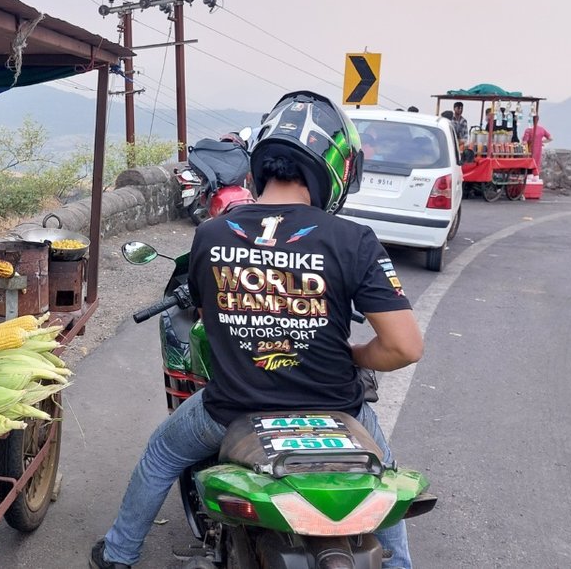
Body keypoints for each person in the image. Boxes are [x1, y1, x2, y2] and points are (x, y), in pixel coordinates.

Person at [90, 90, 424, 569]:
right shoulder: (354, 239)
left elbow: (208, 318)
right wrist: (354, 356)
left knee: (163, 452)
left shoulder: (211, 234)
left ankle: (118, 555)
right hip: (336, 410)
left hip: (232, 411)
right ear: (333, 167)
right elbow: (405, 346)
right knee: (383, 477)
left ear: (263, 158)